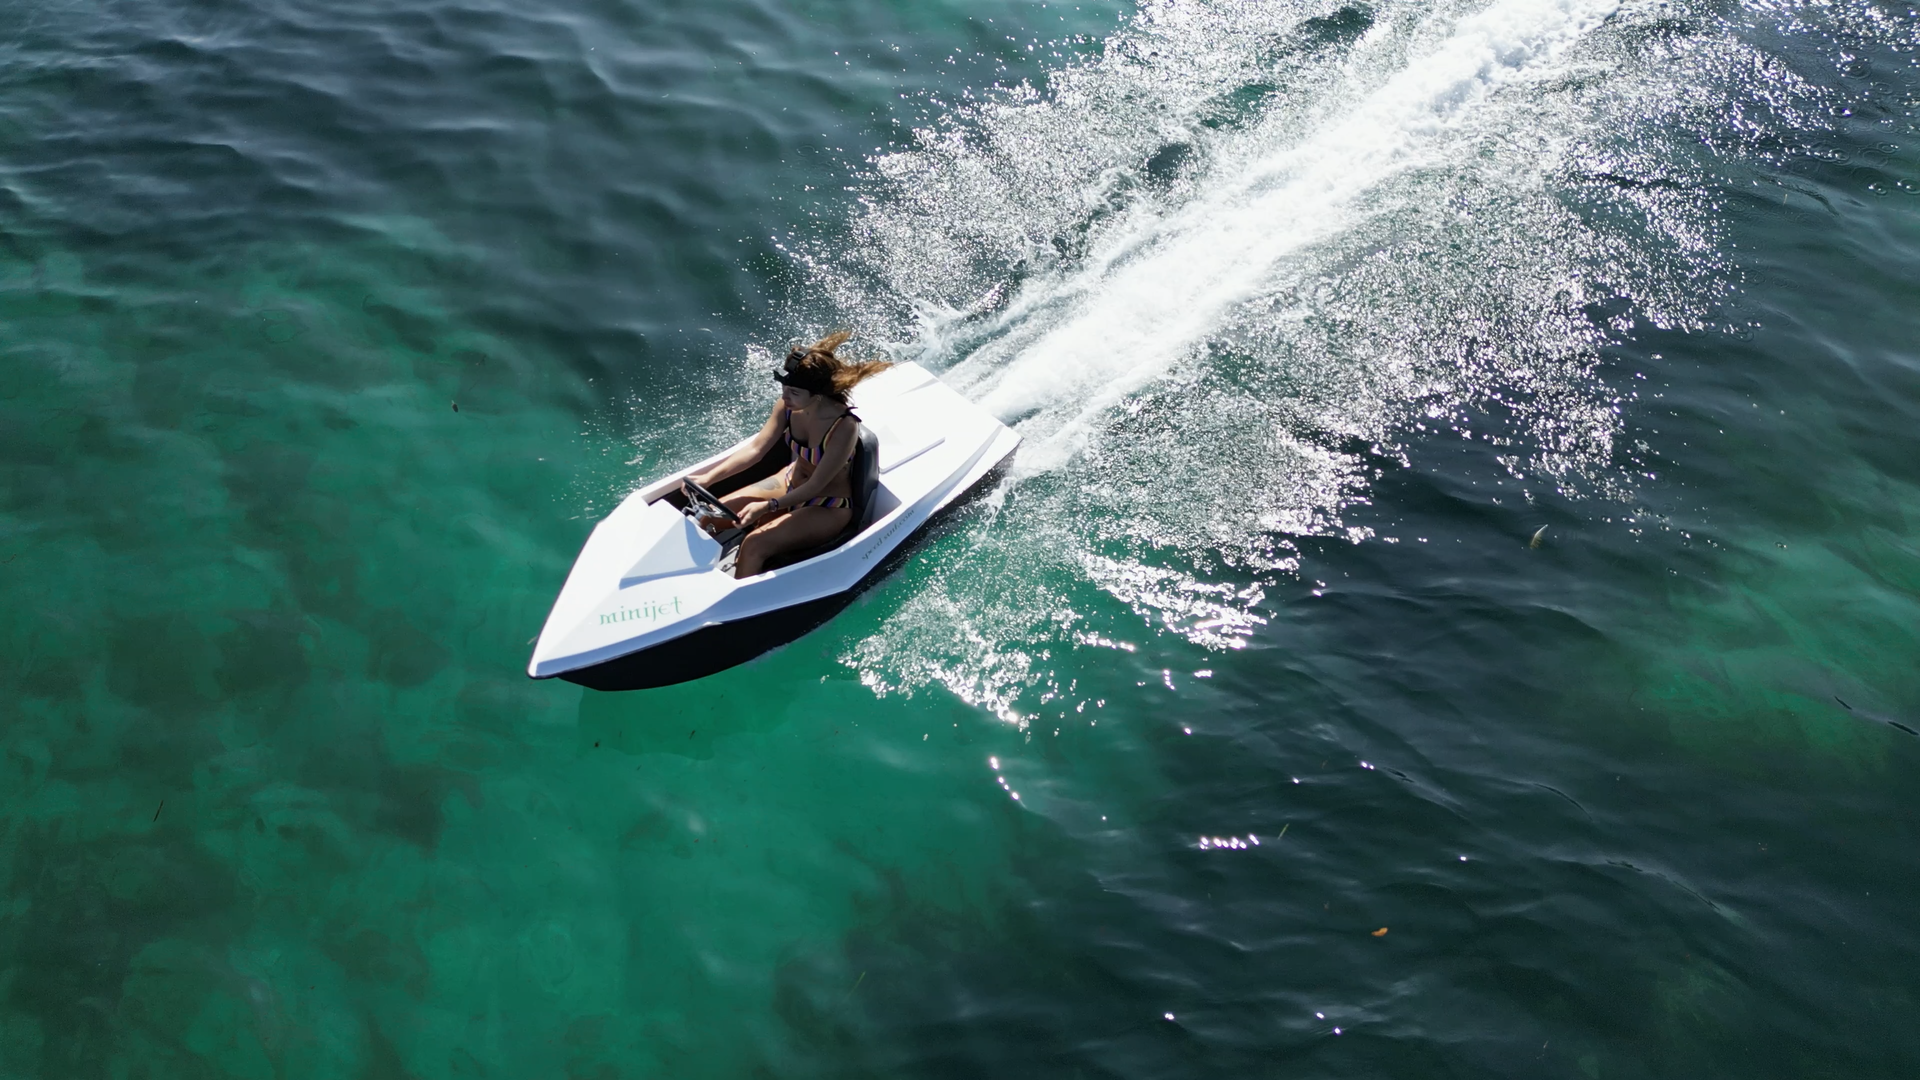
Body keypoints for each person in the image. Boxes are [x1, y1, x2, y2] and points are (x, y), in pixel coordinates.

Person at [686, 332, 890, 578]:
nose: (785, 396)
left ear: (816, 395)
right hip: (789, 483)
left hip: (827, 505)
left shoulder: (844, 427)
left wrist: (768, 506)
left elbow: (816, 485)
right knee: (710, 515)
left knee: (754, 545)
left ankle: (742, 608)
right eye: (784, 388)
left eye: (793, 392)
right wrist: (708, 478)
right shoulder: (788, 406)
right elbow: (756, 449)